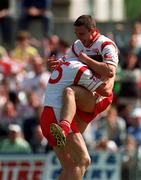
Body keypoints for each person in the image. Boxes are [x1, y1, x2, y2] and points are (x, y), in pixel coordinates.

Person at [40, 15, 119, 179]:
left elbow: (110, 74)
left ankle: (64, 126)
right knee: (76, 163)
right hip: (79, 101)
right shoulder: (77, 47)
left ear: (93, 31)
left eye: (82, 34)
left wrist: (86, 60)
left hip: (96, 97)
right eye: (76, 34)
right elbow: (66, 61)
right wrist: (55, 63)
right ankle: (64, 126)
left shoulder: (106, 45)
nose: (79, 39)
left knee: (70, 91)